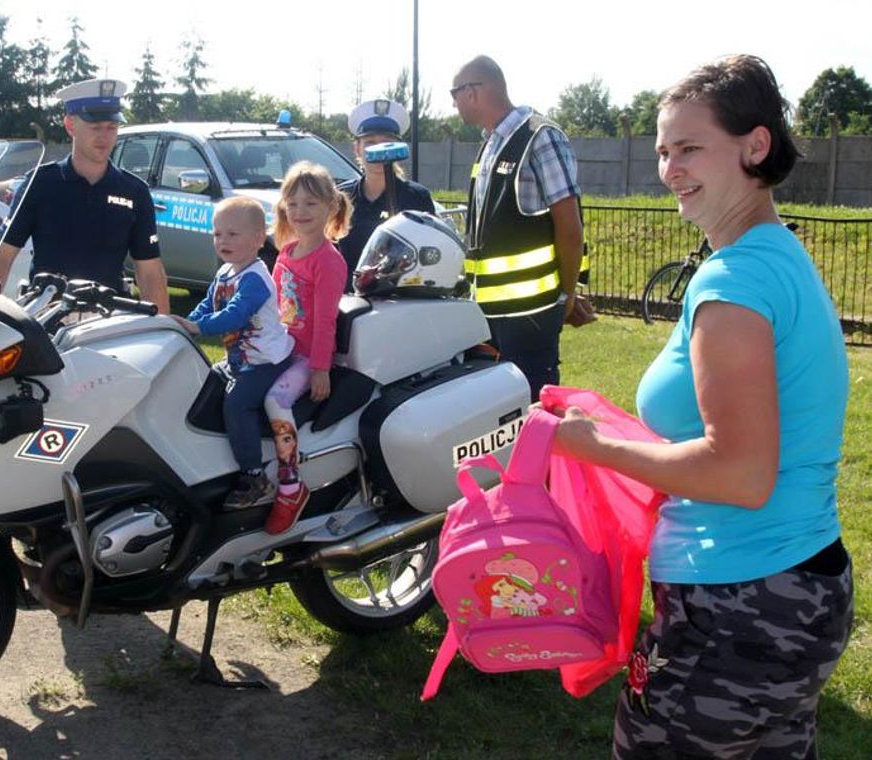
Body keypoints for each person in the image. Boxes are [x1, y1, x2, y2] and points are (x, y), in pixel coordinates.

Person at [549, 55, 853, 758]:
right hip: (792, 591)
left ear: (755, 146)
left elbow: (739, 474)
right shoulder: (775, 255)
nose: (670, 168)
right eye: (662, 150)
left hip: (739, 605)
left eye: (689, 147)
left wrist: (593, 447)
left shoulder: (735, 281)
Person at [452, 55, 586, 401]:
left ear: (473, 93)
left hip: (530, 315)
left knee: (534, 410)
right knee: (497, 416)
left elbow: (570, 228)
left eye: (455, 93)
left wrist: (566, 297)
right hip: (488, 314)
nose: (453, 103)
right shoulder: (490, 143)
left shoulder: (540, 137)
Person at [0, 78, 169, 313]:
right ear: (70, 125)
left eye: (111, 127)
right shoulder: (40, 184)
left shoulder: (134, 191)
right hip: (45, 318)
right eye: (95, 127)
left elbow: (150, 270)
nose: (104, 136)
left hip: (107, 321)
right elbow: (2, 255)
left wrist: (163, 328)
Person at [172, 197, 294, 509]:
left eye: (232, 234)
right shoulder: (226, 271)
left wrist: (199, 329)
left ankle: (255, 475)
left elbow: (235, 315)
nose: (222, 240)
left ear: (256, 239)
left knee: (238, 404)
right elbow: (207, 306)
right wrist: (185, 324)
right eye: (217, 234)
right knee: (207, 382)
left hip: (266, 361)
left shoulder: (255, 278)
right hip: (242, 360)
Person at [263, 161, 350, 534]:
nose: (300, 212)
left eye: (311, 204)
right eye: (293, 204)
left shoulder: (328, 261)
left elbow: (325, 320)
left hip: (302, 357)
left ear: (331, 207)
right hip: (276, 347)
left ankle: (290, 484)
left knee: (275, 400)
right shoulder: (287, 251)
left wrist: (319, 367)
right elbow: (272, 303)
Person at [336, 98, 435, 291]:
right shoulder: (341, 196)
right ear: (357, 148)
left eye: (386, 143)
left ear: (398, 148)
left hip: (398, 302)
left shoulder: (416, 197)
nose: (378, 149)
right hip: (348, 301)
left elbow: (427, 256)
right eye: (370, 143)